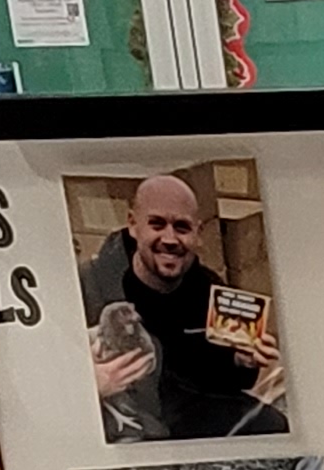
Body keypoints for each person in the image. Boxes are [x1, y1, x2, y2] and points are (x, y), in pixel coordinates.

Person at [83, 171, 288, 441]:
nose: (170, 239)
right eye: (157, 224)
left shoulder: (209, 291)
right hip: (116, 420)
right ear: (133, 225)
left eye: (181, 227)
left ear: (198, 234)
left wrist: (241, 361)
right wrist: (87, 386)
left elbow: (221, 384)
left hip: (183, 416)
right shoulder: (88, 287)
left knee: (272, 425)